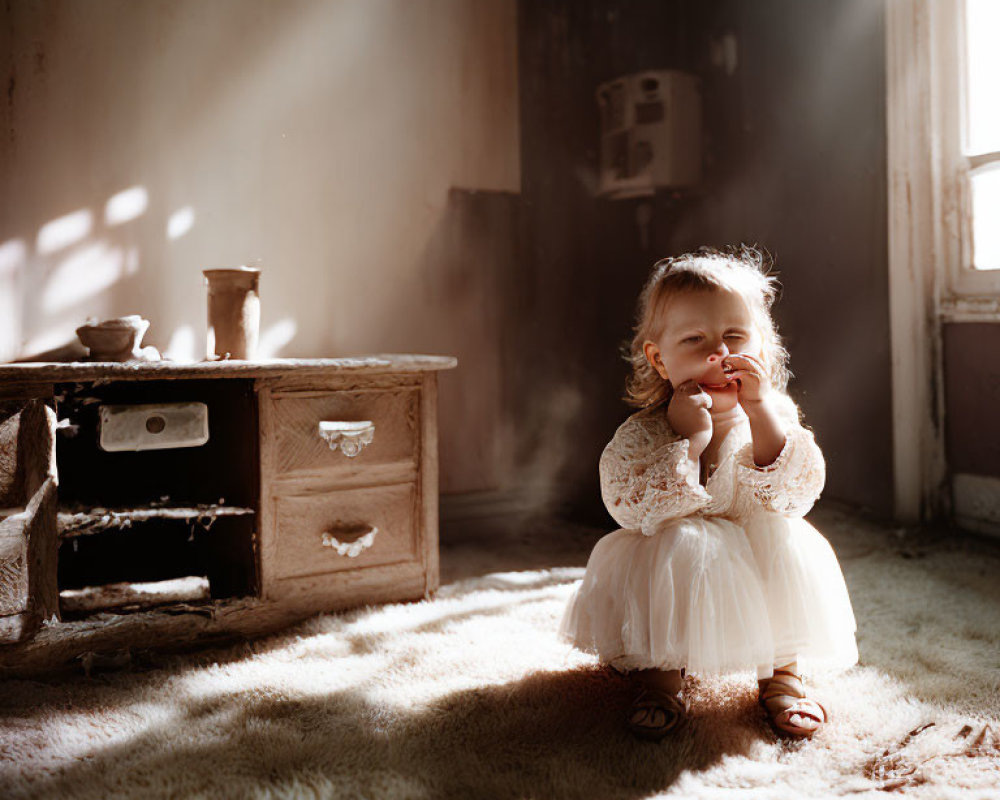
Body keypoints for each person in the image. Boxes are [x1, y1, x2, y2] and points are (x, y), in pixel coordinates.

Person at [560, 245, 858, 741]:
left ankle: (782, 674)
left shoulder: (773, 413)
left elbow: (794, 493)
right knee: (677, 544)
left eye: (735, 336)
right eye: (695, 339)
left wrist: (761, 411)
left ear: (760, 348)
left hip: (756, 544)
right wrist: (691, 440)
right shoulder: (647, 431)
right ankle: (661, 677)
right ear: (659, 358)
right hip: (677, 560)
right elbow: (628, 505)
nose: (718, 353)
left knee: (784, 539)